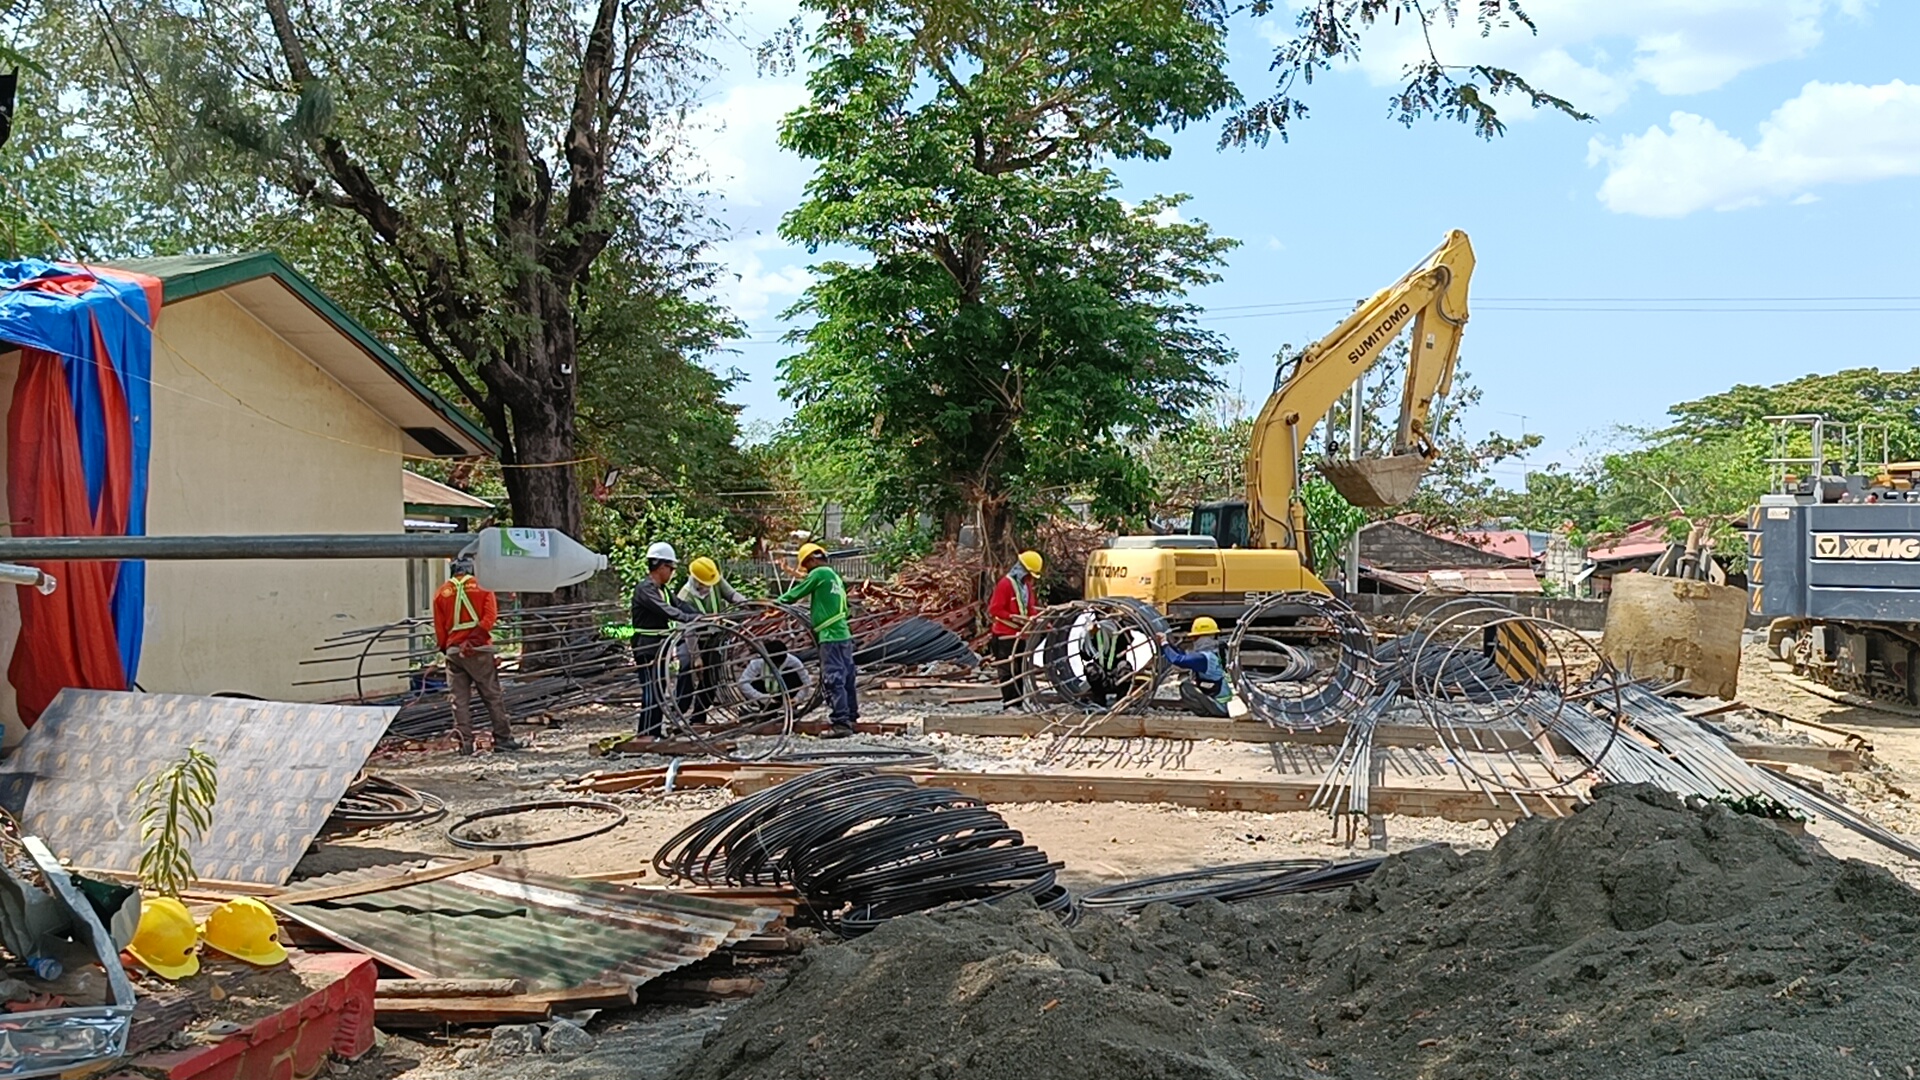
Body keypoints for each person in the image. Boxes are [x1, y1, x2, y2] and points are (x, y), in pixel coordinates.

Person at [433, 557, 520, 754]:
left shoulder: (441, 592)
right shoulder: (483, 587)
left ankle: (465, 745)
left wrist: (447, 649)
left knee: (459, 701)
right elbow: (489, 618)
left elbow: (439, 628)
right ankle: (503, 739)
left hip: (454, 651)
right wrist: (472, 641)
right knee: (492, 696)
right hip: (479, 650)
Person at [778, 543, 856, 734]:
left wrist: (776, 603)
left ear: (812, 560)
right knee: (847, 676)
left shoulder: (819, 574)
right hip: (842, 634)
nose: (808, 570)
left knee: (833, 678)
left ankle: (841, 723)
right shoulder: (834, 577)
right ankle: (851, 716)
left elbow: (797, 592)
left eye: (807, 565)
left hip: (830, 635)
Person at [630, 541, 696, 737]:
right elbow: (667, 610)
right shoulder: (645, 589)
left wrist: (702, 616)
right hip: (646, 647)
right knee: (651, 691)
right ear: (661, 566)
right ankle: (647, 733)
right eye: (671, 568)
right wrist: (688, 619)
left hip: (660, 647)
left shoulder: (664, 590)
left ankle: (655, 732)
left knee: (660, 690)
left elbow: (680, 605)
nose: (672, 572)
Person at [673, 556, 745, 725]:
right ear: (696, 580)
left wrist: (747, 603)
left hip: (713, 636)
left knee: (712, 674)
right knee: (687, 668)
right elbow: (688, 629)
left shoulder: (714, 579)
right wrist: (696, 657)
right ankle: (679, 711)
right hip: (690, 638)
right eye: (704, 584)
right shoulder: (685, 596)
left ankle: (699, 715)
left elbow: (732, 595)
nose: (708, 587)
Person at [987, 550, 1043, 709]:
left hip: (1021, 636)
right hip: (1005, 635)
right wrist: (1013, 617)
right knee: (1007, 671)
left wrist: (1037, 619)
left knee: (1019, 670)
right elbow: (995, 609)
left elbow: (1030, 608)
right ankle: (1009, 703)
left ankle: (1018, 702)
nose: (1031, 579)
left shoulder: (1026, 587)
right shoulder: (1005, 584)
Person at [1160, 616, 1234, 719]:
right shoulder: (1218, 652)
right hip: (1227, 702)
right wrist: (1169, 645)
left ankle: (1209, 714)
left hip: (1220, 706)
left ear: (1201, 637)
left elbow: (1178, 660)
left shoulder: (1203, 658)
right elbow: (1183, 656)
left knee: (1186, 687)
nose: (1193, 641)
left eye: (1195, 637)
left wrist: (1163, 643)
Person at [737, 639, 815, 711]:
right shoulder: (758, 662)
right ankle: (767, 707)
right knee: (754, 683)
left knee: (792, 675)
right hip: (764, 693)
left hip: (787, 693)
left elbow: (807, 682)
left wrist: (797, 698)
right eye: (775, 663)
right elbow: (743, 683)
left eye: (779, 663)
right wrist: (763, 698)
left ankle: (790, 706)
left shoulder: (793, 662)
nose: (777, 665)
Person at [1079, 617, 1133, 708]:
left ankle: (1121, 700)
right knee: (1091, 669)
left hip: (1116, 673)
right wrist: (1090, 637)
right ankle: (1099, 700)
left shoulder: (1119, 634)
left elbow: (1129, 640)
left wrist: (1120, 623)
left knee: (1124, 667)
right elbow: (1086, 657)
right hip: (1101, 675)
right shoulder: (1094, 635)